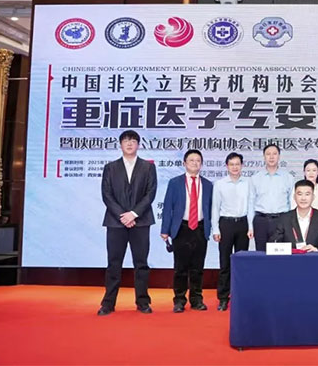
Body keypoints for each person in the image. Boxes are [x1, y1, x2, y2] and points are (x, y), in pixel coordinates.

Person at [98, 130, 157, 316]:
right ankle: (108, 303)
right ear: (120, 145)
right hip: (116, 223)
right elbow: (106, 194)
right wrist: (122, 216)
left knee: (141, 263)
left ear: (139, 144)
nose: (129, 144)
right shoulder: (110, 167)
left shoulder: (148, 167)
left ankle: (143, 302)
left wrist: (133, 214)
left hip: (141, 222)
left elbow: (150, 193)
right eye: (125, 141)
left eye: (133, 141)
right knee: (113, 264)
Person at [160, 149, 213, 313]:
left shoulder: (208, 184)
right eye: (191, 160)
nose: (195, 163)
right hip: (181, 228)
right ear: (184, 163)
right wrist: (165, 229)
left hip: (200, 228)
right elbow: (167, 207)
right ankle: (179, 300)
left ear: (201, 164)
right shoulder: (175, 183)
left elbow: (211, 208)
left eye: (198, 161)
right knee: (180, 268)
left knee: (198, 268)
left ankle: (197, 300)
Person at [210, 152, 251, 312]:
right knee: (225, 263)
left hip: (242, 224)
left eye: (237, 164)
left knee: (242, 262)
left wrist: (251, 226)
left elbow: (251, 206)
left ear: (242, 166)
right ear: (227, 166)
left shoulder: (248, 183)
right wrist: (215, 228)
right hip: (225, 224)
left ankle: (241, 295)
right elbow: (215, 207)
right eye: (232, 164)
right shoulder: (220, 184)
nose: (235, 167)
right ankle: (223, 297)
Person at [249, 144, 294, 251]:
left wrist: (291, 224)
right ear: (264, 157)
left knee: (280, 253)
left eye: (274, 154)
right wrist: (250, 226)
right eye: (268, 154)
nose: (271, 157)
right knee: (261, 253)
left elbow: (292, 202)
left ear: (279, 156)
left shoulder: (288, 177)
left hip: (281, 220)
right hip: (261, 220)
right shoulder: (255, 178)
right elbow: (251, 203)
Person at [271, 180, 318, 251]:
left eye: (307, 194)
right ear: (294, 197)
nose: (303, 198)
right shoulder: (284, 218)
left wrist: (316, 249)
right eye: (300, 194)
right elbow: (273, 244)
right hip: (292, 257)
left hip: (314, 257)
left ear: (313, 197)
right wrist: (291, 250)